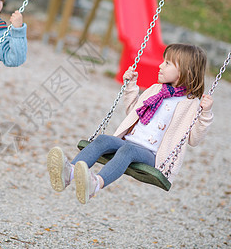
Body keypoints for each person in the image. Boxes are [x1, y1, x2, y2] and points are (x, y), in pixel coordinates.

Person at [47, 43, 214, 204]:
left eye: (168, 63)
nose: (160, 65)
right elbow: (134, 112)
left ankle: (95, 184)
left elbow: (194, 139)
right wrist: (131, 86)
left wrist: (205, 114)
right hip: (129, 141)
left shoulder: (191, 104)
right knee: (104, 139)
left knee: (128, 150)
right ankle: (68, 173)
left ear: (185, 71)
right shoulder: (156, 90)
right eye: (163, 61)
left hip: (152, 155)